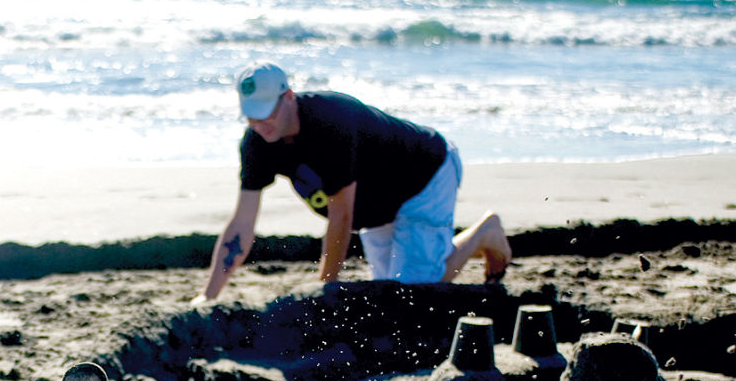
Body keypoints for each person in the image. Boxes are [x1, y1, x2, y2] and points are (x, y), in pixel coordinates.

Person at [197, 62, 511, 302]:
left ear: (289, 97)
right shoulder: (257, 142)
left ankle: (483, 234)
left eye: (266, 113)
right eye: (251, 116)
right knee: (389, 289)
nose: (260, 124)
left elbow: (341, 216)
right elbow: (242, 223)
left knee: (415, 292)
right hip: (376, 204)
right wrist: (209, 295)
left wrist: (326, 288)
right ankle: (465, 242)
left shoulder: (329, 123)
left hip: (424, 176)